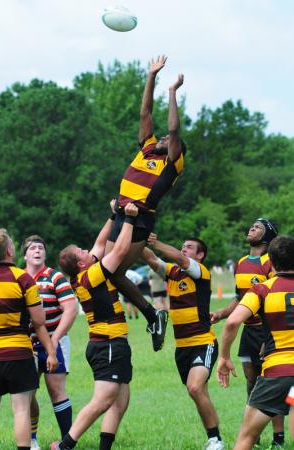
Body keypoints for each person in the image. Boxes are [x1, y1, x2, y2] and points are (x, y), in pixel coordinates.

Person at [104, 55, 186, 351]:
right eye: (161, 137)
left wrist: (172, 92)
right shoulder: (148, 149)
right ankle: (152, 315)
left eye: (168, 139)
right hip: (120, 215)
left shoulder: (172, 162)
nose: (163, 137)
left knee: (109, 273)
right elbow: (144, 113)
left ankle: (152, 315)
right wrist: (151, 76)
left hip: (139, 218)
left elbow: (174, 130)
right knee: (106, 272)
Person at [51, 203, 138, 450]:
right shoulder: (92, 276)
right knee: (103, 400)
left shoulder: (86, 272)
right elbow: (119, 250)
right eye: (82, 251)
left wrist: (114, 215)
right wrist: (129, 219)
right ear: (81, 264)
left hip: (111, 344)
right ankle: (65, 445)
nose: (88, 250)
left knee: (121, 399)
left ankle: (104, 447)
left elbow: (100, 243)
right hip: (107, 344)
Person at [142, 234, 224, 450]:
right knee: (199, 393)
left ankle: (216, 440)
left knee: (195, 388)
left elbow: (178, 257)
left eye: (189, 247)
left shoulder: (200, 272)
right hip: (182, 348)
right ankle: (215, 439)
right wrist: (136, 237)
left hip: (203, 342)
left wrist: (156, 243)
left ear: (200, 255)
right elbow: (150, 259)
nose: (184, 249)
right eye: (183, 247)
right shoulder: (173, 273)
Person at [211, 218, 285, 448]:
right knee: (251, 383)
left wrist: (268, 335)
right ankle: (254, 435)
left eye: (258, 227)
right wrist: (222, 313)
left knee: (272, 382)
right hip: (248, 332)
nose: (252, 228)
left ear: (268, 234)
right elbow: (240, 299)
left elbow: (273, 297)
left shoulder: (270, 263)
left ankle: (278, 438)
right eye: (252, 226)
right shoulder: (241, 262)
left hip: (268, 332)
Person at [0, 228, 58, 450]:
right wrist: (51, 352)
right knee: (21, 410)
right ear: (10, 251)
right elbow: (39, 322)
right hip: (19, 353)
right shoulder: (23, 278)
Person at [22, 235, 78, 450]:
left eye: (41, 248)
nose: (37, 251)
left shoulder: (55, 277)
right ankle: (32, 439)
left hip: (56, 341)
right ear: (25, 254)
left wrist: (54, 339)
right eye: (32, 248)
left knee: (57, 391)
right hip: (27, 344)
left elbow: (70, 310)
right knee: (27, 392)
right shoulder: (19, 278)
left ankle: (67, 441)